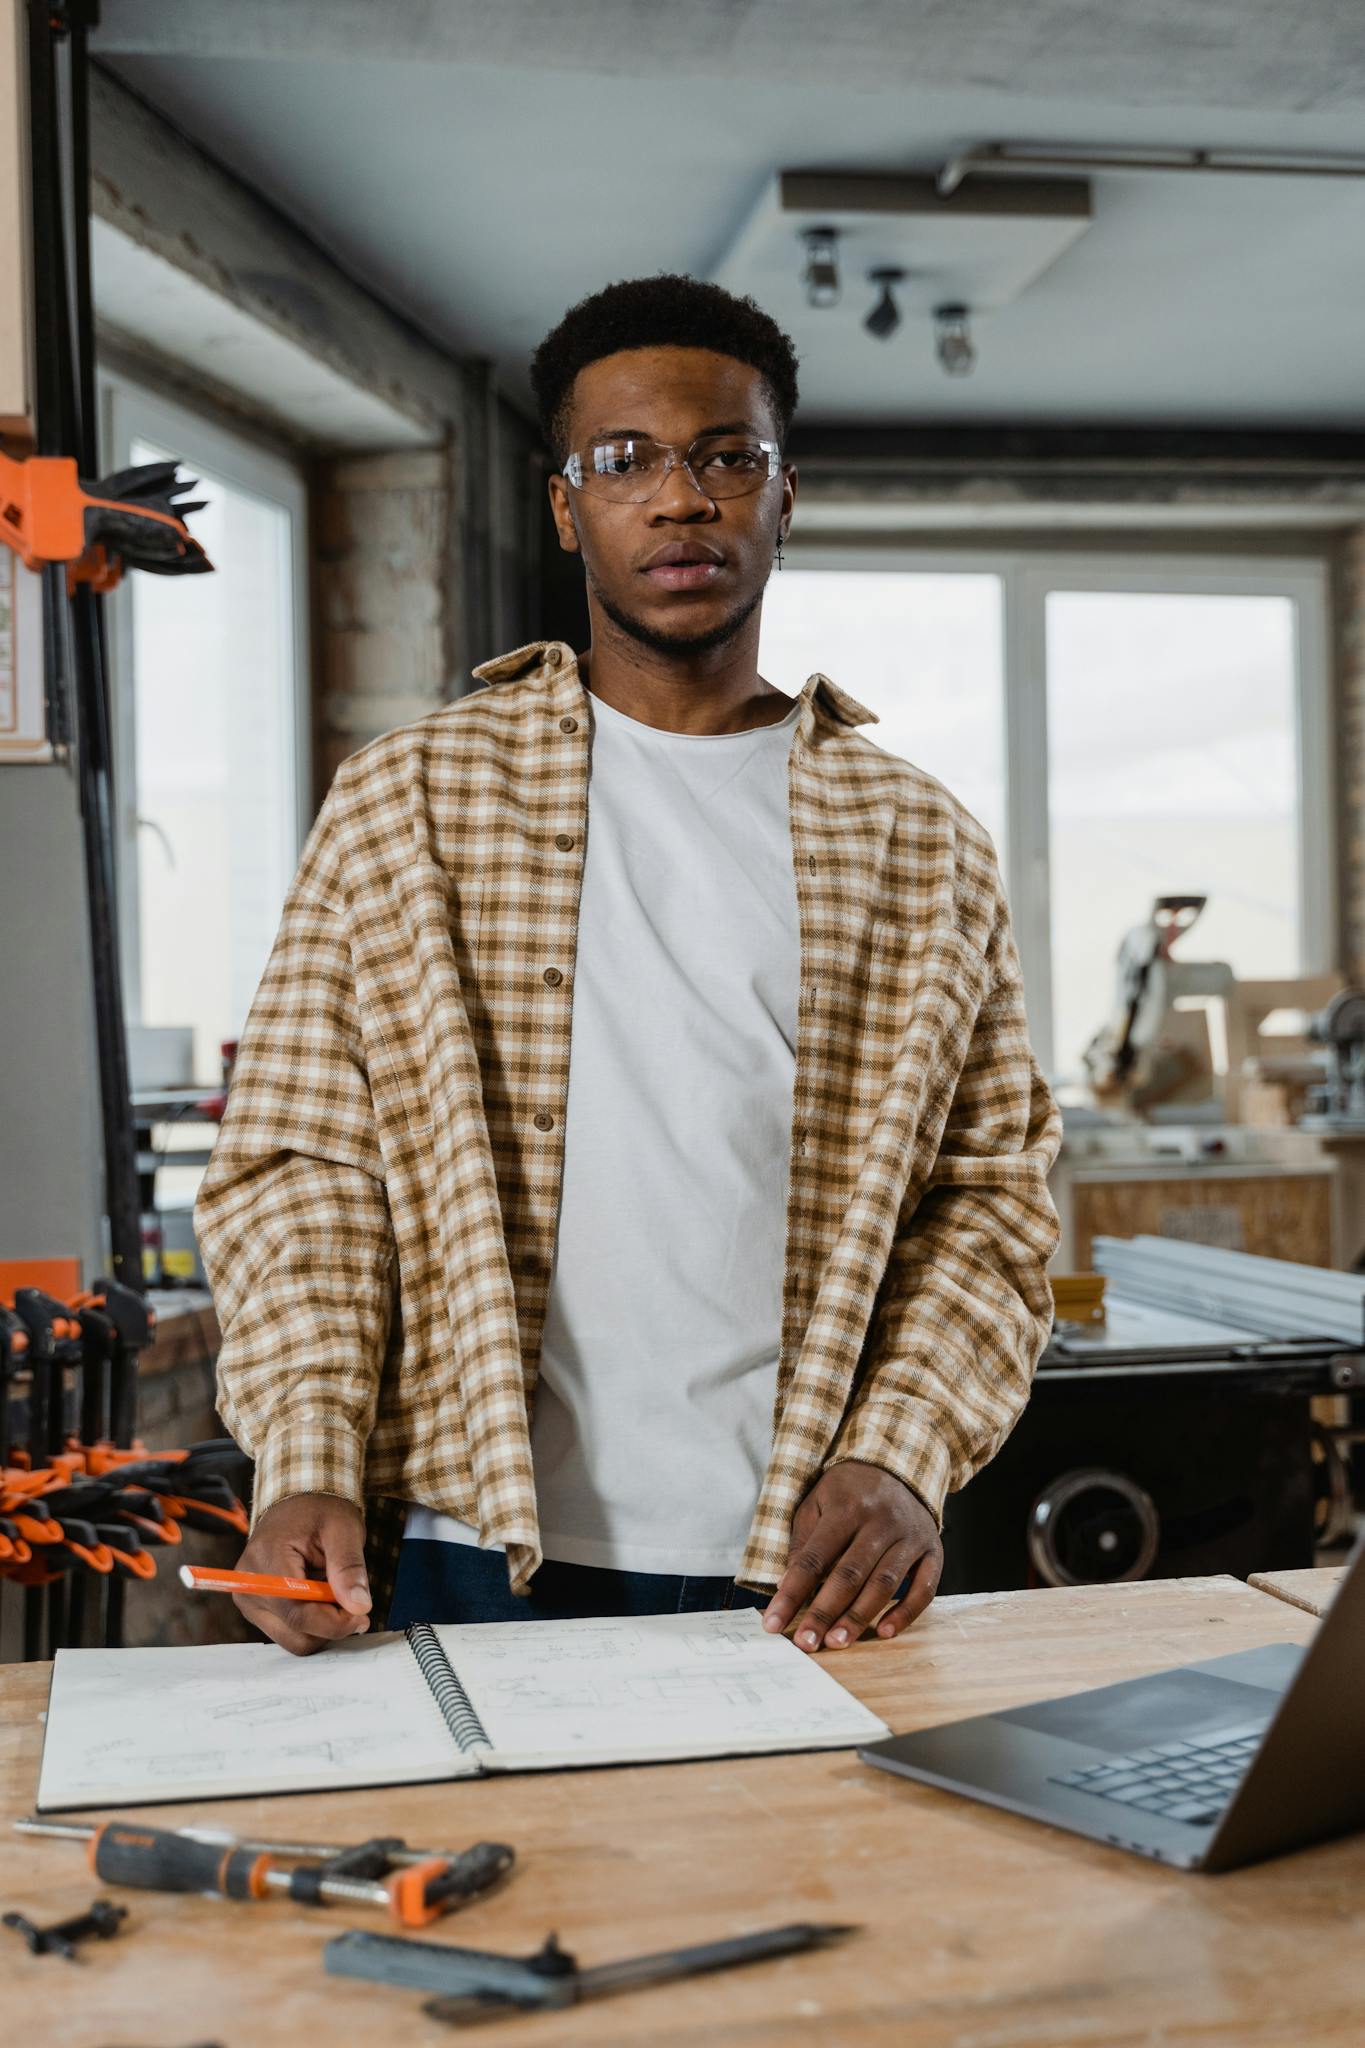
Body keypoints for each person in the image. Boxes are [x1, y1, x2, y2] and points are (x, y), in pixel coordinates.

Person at [195, 274, 1061, 1659]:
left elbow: (987, 1204)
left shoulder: (916, 842)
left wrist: (901, 1456)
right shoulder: (411, 801)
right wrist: (303, 1456)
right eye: (624, 461)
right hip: (469, 1540)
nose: (680, 498)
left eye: (727, 457)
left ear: (784, 497)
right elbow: (308, 1164)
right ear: (565, 507)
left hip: (803, 1563)